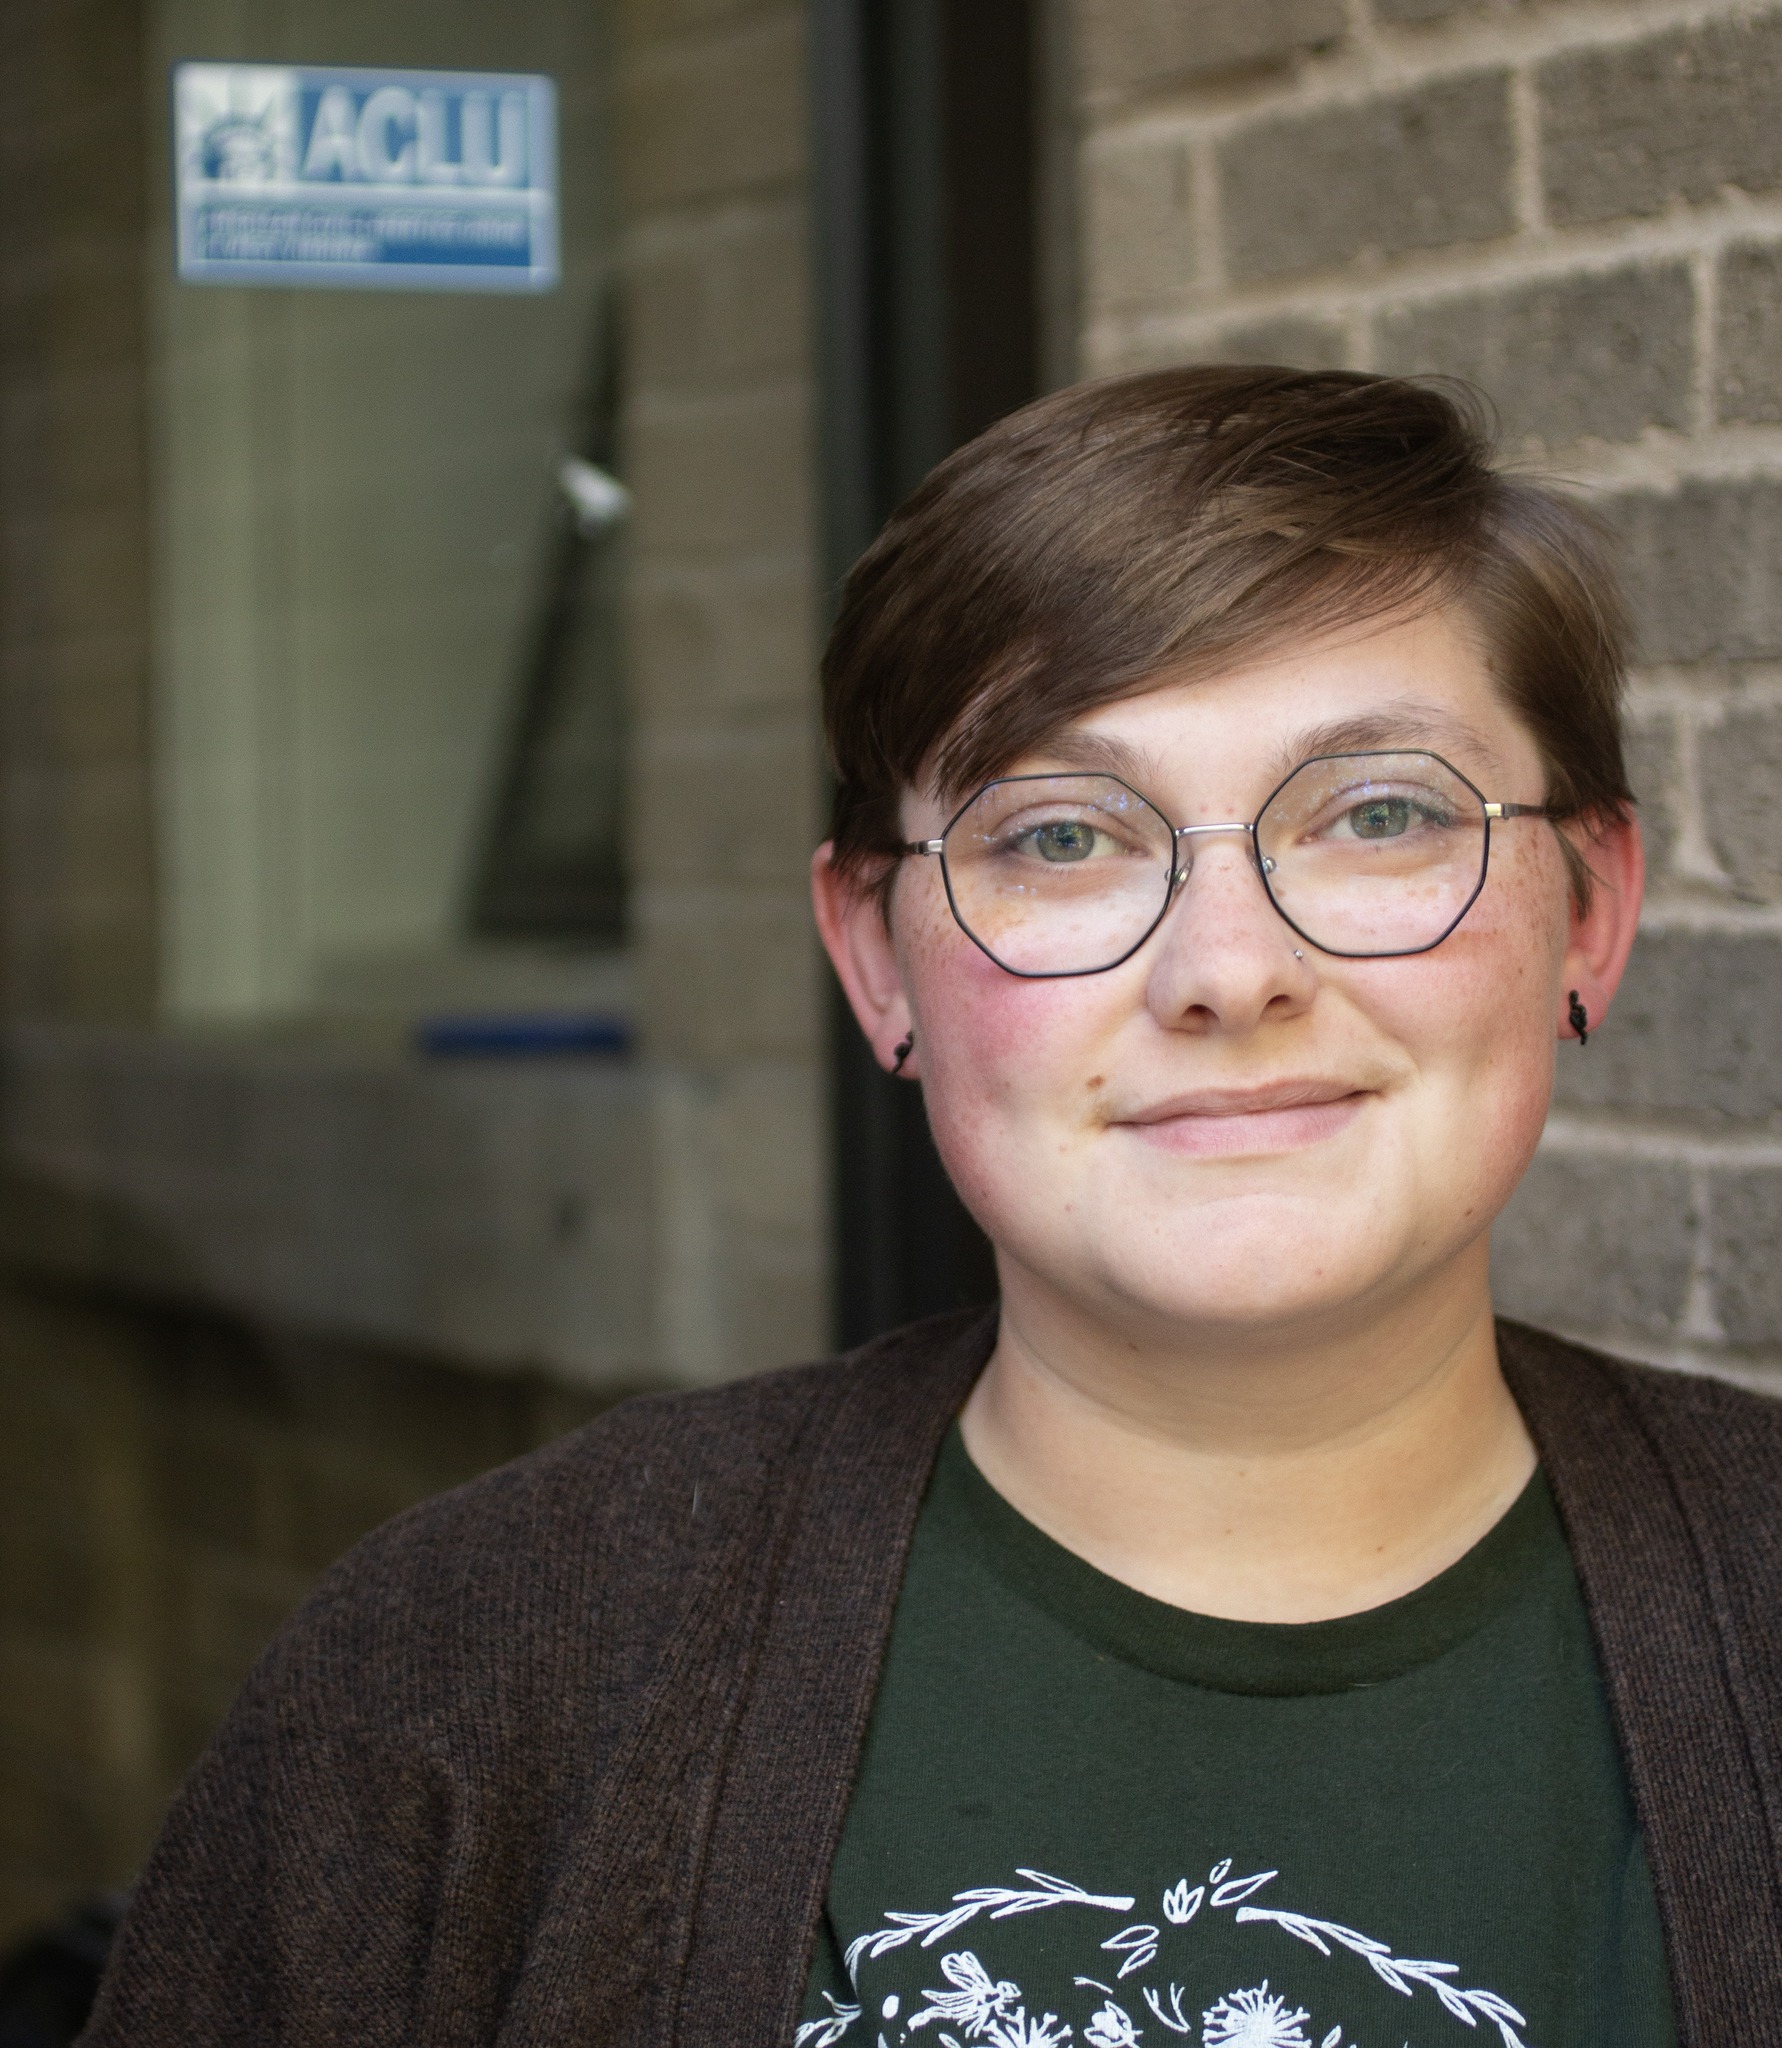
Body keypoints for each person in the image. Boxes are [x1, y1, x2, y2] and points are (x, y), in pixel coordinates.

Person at [82, 370, 1781, 2048]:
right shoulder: (464, 1672)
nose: (1228, 971)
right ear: (873, 960)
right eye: (1060, 839)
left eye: (1378, 814)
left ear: (1588, 912)